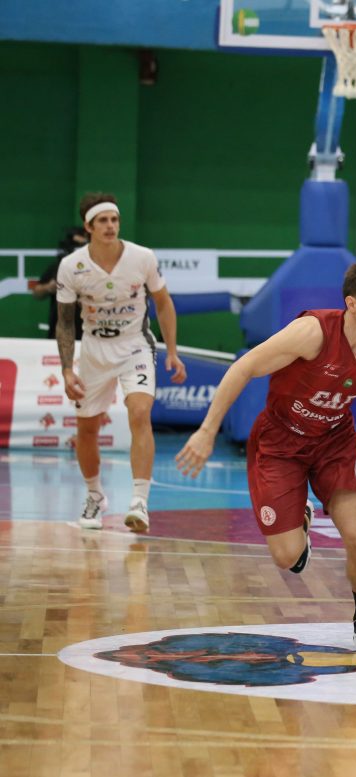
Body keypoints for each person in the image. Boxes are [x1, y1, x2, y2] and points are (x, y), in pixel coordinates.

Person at [175, 259, 356, 654]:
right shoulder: (312, 332)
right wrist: (207, 431)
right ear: (352, 305)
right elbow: (244, 367)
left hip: (334, 443)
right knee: (287, 558)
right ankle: (301, 522)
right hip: (280, 442)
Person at [56, 193, 187, 532]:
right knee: (87, 428)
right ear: (88, 227)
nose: (111, 226)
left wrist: (172, 351)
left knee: (140, 412)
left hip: (134, 346)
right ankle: (94, 496)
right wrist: (67, 369)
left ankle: (139, 501)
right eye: (103, 220)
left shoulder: (142, 257)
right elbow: (65, 322)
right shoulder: (71, 266)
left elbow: (164, 303)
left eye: (114, 219)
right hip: (94, 350)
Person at [32, 226, 87, 339]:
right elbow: (36, 292)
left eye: (81, 245)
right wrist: (49, 287)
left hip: (87, 332)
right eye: (74, 245)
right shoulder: (59, 266)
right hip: (60, 331)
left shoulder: (95, 268)